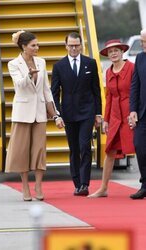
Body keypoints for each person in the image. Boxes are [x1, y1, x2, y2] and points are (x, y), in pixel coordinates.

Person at [5, 31, 58, 201]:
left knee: (40, 151)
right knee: (22, 152)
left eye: (37, 44)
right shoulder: (13, 64)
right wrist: (29, 75)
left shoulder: (42, 62)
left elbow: (46, 90)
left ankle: (38, 186)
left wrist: (54, 114)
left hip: (40, 113)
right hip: (22, 114)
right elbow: (19, 85)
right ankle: (25, 187)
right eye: (33, 45)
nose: (37, 48)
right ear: (24, 46)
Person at [51, 32, 102, 196]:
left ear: (81, 45)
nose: (74, 48)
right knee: (74, 148)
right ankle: (77, 182)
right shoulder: (59, 66)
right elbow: (54, 93)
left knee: (85, 146)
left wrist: (98, 113)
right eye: (71, 45)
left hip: (87, 111)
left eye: (76, 45)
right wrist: (57, 114)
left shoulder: (90, 63)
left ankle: (85, 184)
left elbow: (96, 90)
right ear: (66, 46)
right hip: (68, 113)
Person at [88, 39, 135, 198]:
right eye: (110, 51)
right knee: (109, 151)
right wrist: (106, 119)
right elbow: (109, 97)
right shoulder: (108, 72)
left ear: (122, 52)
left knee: (140, 149)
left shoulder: (131, 68)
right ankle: (103, 188)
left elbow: (138, 93)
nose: (113, 53)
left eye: (116, 50)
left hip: (131, 114)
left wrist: (136, 113)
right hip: (115, 116)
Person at [129, 28, 146, 199]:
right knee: (140, 147)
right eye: (141, 41)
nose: (141, 44)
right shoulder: (140, 58)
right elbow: (135, 86)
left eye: (144, 41)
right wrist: (133, 109)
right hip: (143, 113)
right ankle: (145, 184)